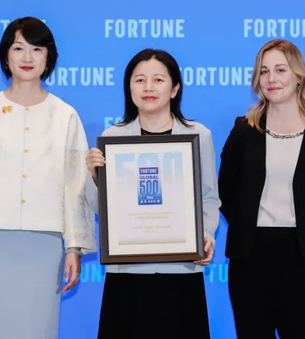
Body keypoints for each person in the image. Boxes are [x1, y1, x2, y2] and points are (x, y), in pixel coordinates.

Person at [0, 17, 95, 339]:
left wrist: (74, 248)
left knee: (37, 328)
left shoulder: (65, 115)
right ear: (5, 56)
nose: (27, 57)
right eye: (18, 48)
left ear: (48, 58)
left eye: (37, 49)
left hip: (45, 244)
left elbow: (75, 188)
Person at [85, 48, 220, 339]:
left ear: (175, 88)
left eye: (158, 80)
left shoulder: (199, 135)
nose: (148, 87)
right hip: (128, 270)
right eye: (139, 80)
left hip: (181, 268)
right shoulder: (112, 139)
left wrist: (205, 235)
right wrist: (96, 177)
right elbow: (99, 209)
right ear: (129, 87)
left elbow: (209, 197)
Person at [218, 39, 305, 339]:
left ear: (299, 77)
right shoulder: (243, 131)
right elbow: (225, 191)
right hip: (250, 258)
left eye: (280, 70)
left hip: (304, 260)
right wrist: (247, 227)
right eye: (264, 71)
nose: (271, 79)